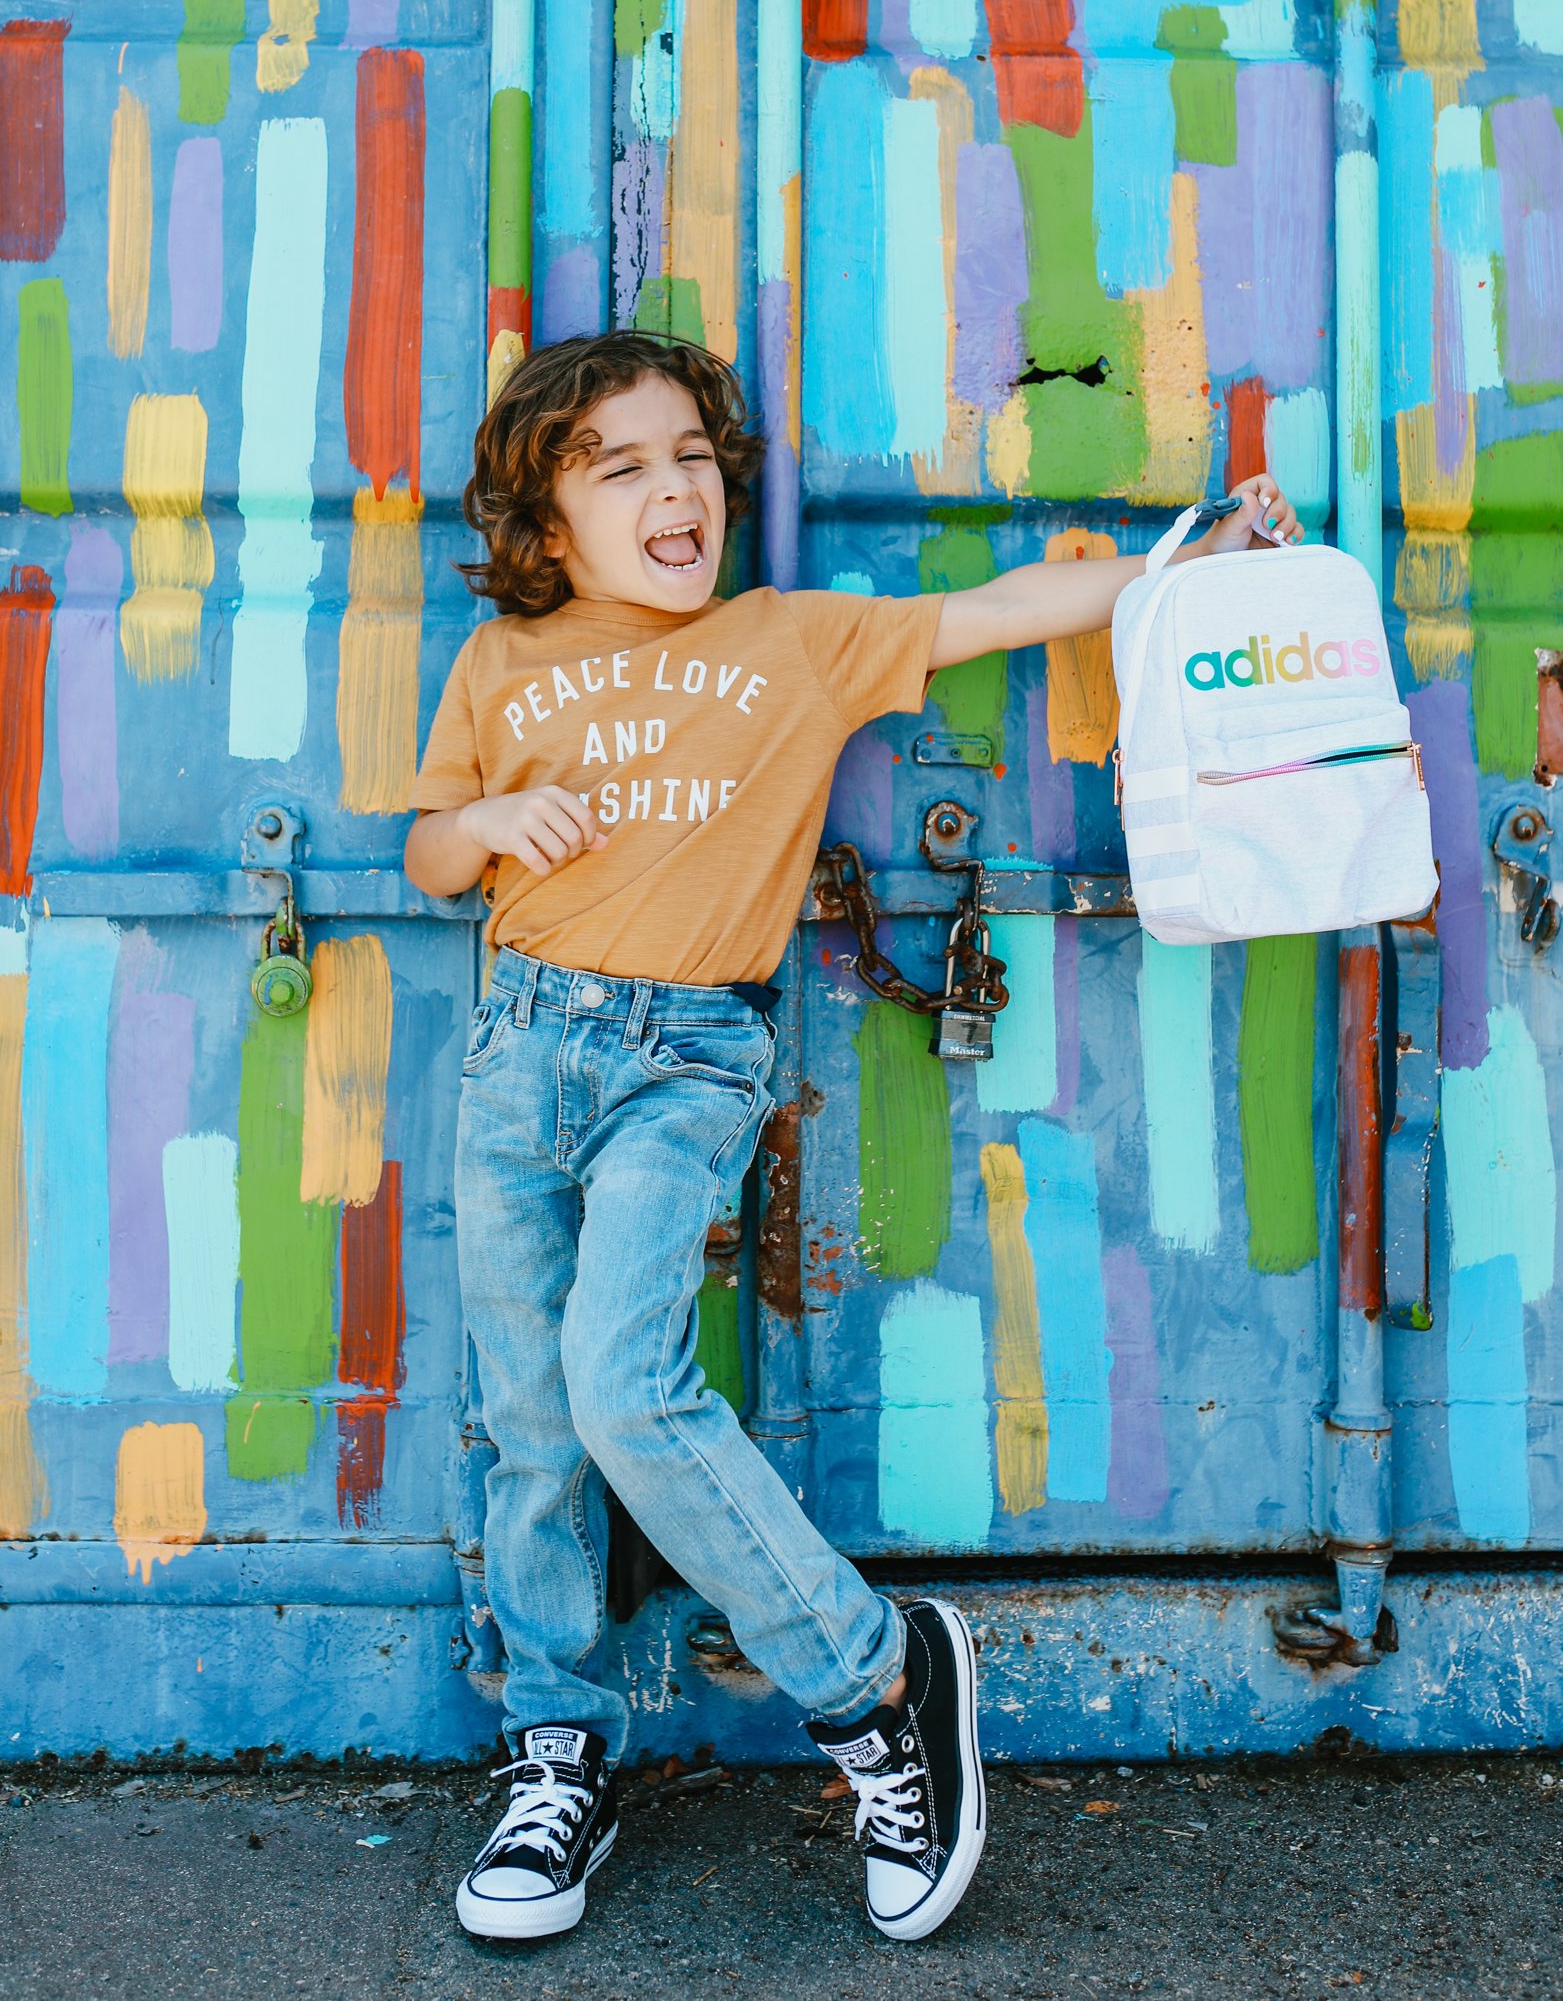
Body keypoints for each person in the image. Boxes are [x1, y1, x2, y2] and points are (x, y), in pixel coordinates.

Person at [405, 331, 1302, 1946]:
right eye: (621, 470)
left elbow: (997, 613)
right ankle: (560, 1742)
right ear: (548, 527)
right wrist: (479, 826)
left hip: (684, 1058)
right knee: (530, 1420)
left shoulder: (792, 641)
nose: (674, 489)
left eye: (691, 457)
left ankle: (874, 1680)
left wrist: (1200, 562)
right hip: (517, 1052)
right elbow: (423, 848)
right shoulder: (502, 662)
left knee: (623, 1386)